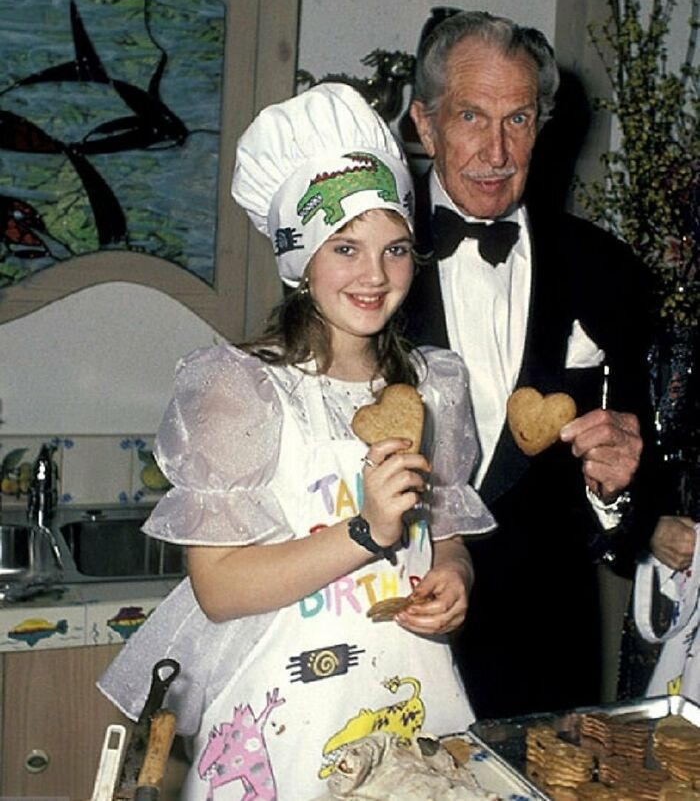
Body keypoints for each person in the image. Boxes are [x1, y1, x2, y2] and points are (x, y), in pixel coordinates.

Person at [98, 82, 495, 800]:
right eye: (345, 247)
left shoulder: (433, 387)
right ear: (300, 261)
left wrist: (455, 576)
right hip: (285, 726)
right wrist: (367, 531)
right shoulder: (241, 390)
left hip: (411, 700)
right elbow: (219, 587)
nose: (375, 275)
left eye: (395, 248)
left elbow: (447, 533)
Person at [402, 10, 663, 719]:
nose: (496, 149)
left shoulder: (605, 271)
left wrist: (616, 491)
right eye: (471, 117)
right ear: (425, 127)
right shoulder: (359, 264)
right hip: (395, 639)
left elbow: (631, 504)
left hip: (546, 657)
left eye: (518, 119)